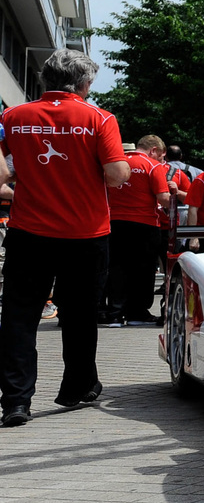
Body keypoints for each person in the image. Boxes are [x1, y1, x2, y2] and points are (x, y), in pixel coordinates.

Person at [0, 51, 131, 427]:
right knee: (79, 315)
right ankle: (76, 387)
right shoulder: (100, 119)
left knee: (19, 317)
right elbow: (115, 175)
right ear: (84, 84)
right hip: (84, 234)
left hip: (28, 232)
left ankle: (15, 401)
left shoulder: (12, 116)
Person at [105, 135, 172, 327]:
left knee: (117, 268)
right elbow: (163, 198)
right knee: (143, 269)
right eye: (160, 155)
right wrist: (173, 195)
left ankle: (115, 314)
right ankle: (137, 314)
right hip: (145, 223)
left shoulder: (116, 164)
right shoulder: (152, 165)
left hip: (114, 221)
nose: (161, 160)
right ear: (153, 150)